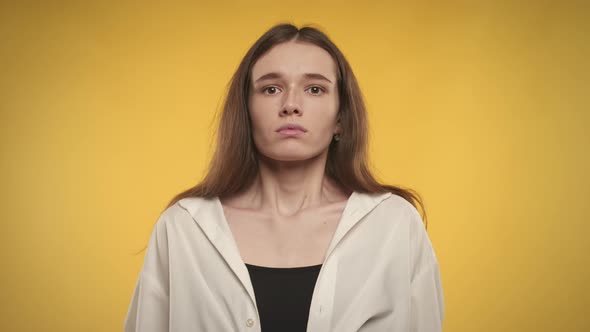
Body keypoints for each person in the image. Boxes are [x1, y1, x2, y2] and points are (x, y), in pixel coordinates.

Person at [124, 23, 444, 332]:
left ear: (341, 119)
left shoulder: (394, 226)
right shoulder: (184, 229)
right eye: (271, 88)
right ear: (245, 112)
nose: (291, 105)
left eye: (315, 89)